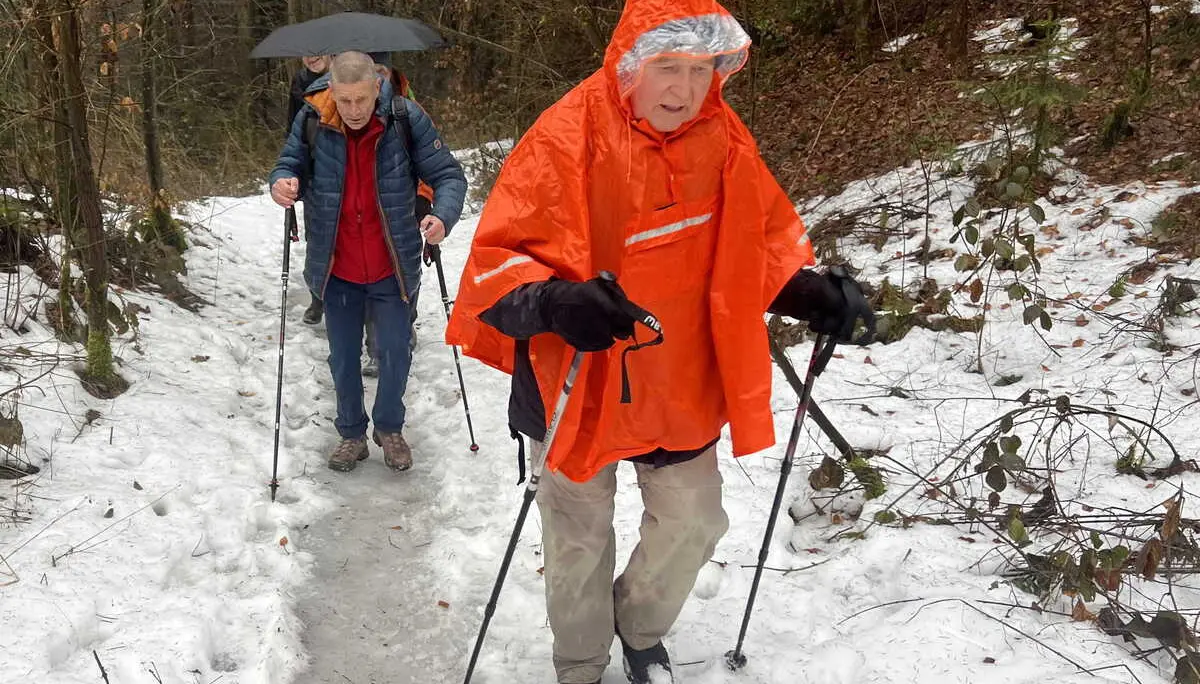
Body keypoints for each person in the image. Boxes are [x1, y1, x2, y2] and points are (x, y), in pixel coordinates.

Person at [445, 2, 874, 683]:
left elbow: (752, 245)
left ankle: (639, 630)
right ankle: (581, 666)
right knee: (580, 543)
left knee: (695, 522)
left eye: (700, 70)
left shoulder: (724, 138)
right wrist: (556, 302)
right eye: (667, 68)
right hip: (578, 380)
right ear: (630, 66)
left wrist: (807, 293)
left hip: (681, 380)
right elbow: (496, 269)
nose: (684, 89)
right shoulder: (566, 136)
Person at [270, 51, 467, 473]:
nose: (354, 110)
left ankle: (389, 428)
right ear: (331, 91)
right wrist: (282, 184)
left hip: (391, 264)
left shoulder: (403, 117)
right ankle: (351, 435)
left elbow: (449, 175)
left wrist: (442, 217)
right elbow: (289, 163)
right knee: (342, 357)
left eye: (361, 100)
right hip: (336, 267)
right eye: (345, 101)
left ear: (376, 88)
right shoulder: (312, 118)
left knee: (395, 351)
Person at [288, 54, 332, 326]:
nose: (313, 56)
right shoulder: (300, 82)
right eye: (307, 51)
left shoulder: (347, 75)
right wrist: (292, 169)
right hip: (313, 171)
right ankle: (318, 298)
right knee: (316, 238)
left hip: (335, 167)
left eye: (320, 50)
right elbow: (292, 128)